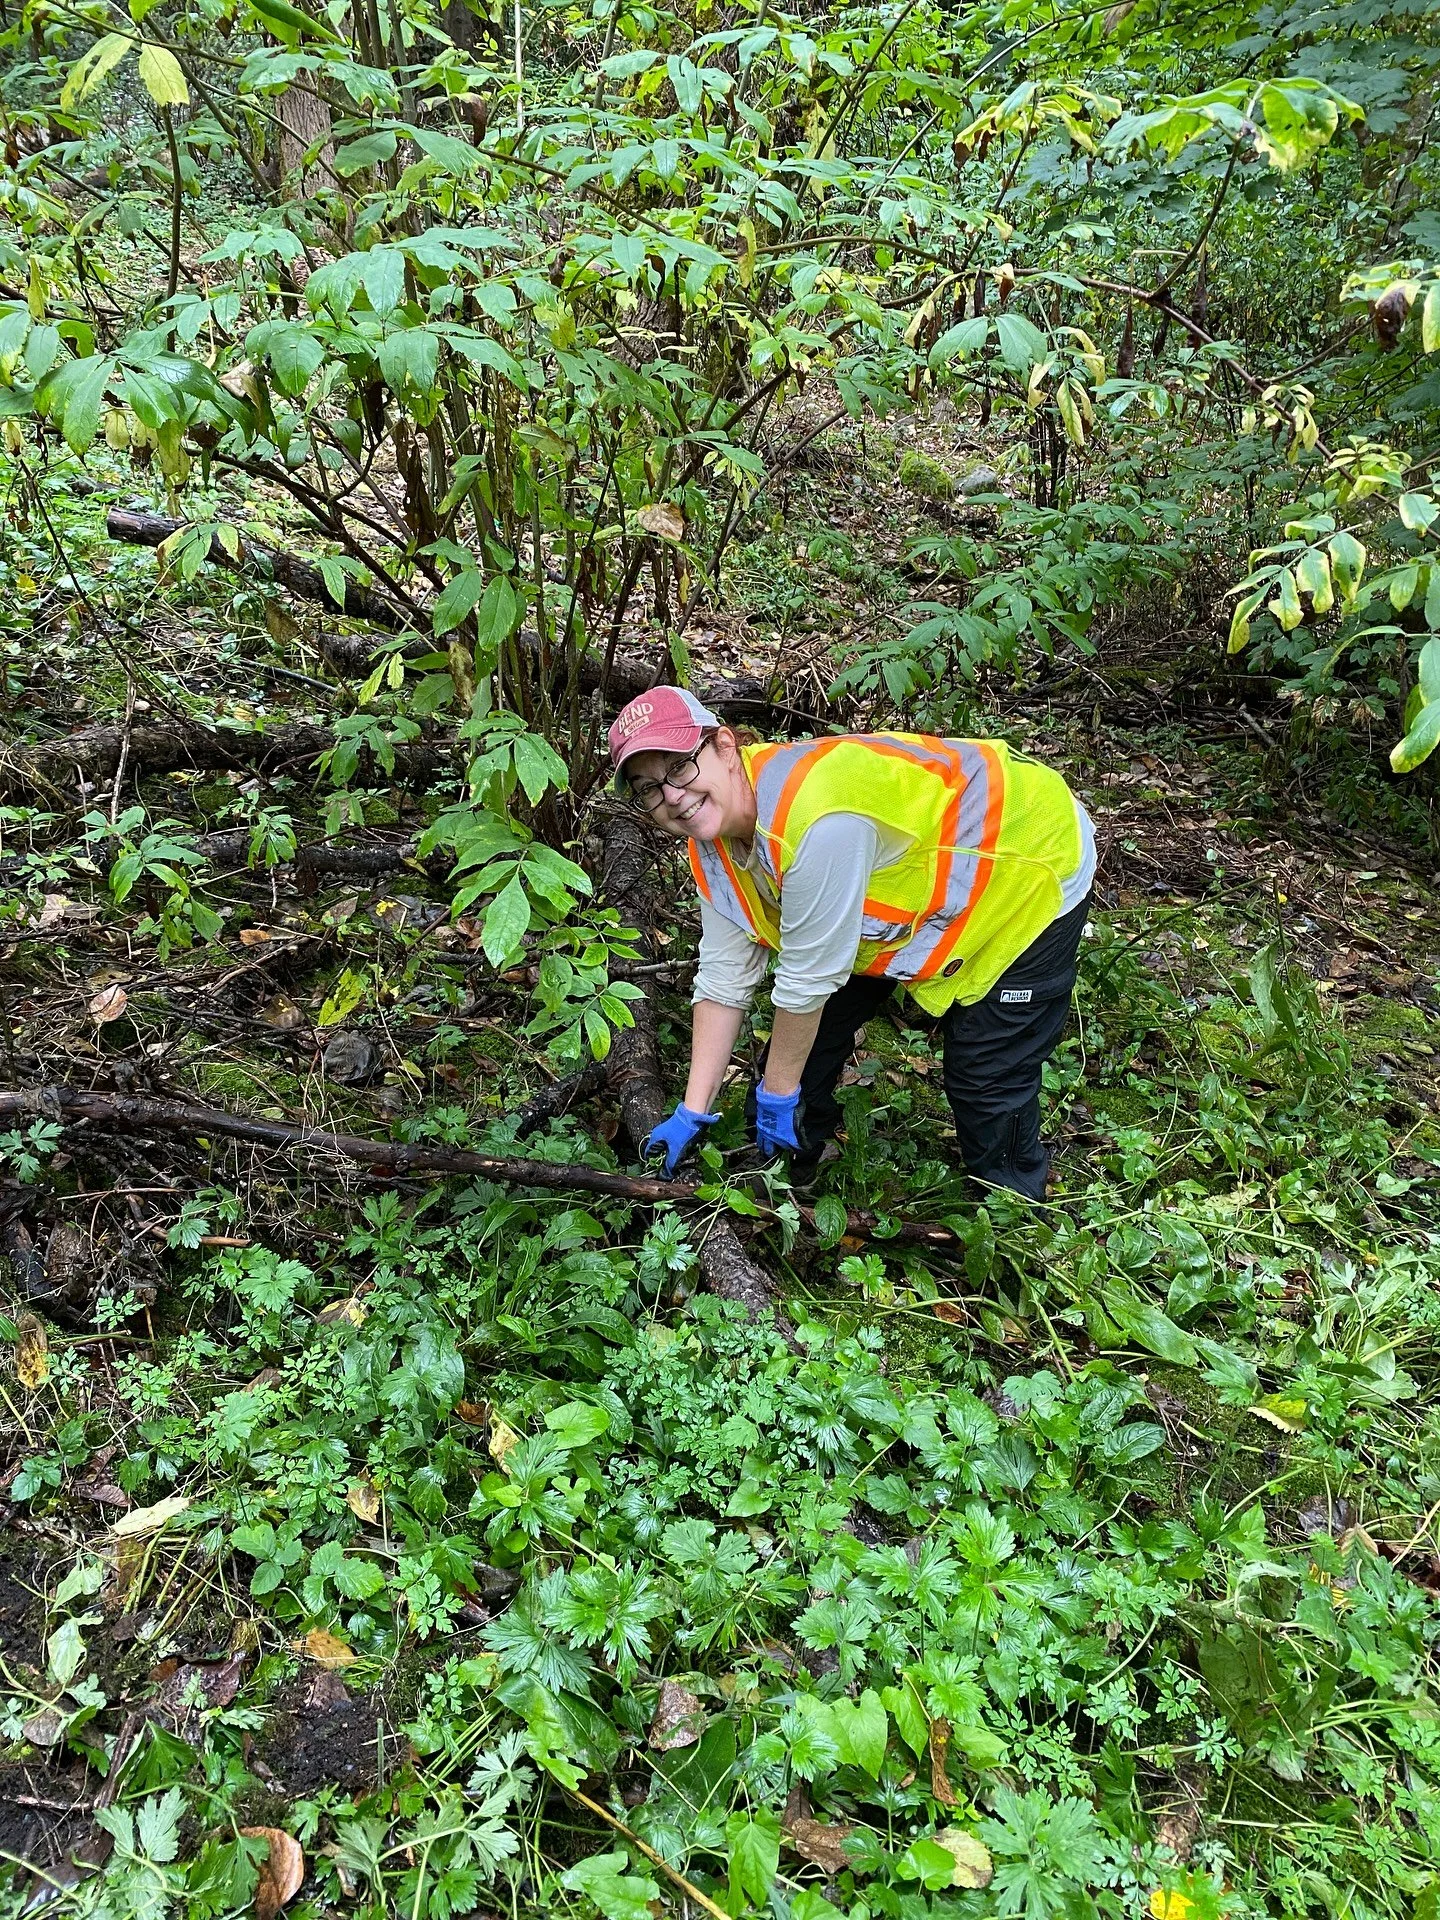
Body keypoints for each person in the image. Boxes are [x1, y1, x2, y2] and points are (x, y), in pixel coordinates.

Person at [609, 688, 1095, 1201]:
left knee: (985, 1074)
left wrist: (779, 1094)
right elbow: (725, 982)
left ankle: (1012, 1208)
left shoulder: (818, 822)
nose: (672, 796)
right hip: (894, 900)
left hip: (1027, 862)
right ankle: (788, 1181)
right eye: (649, 788)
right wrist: (693, 1108)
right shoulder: (714, 845)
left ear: (725, 747)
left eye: (681, 767)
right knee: (804, 1048)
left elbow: (804, 985)